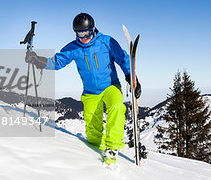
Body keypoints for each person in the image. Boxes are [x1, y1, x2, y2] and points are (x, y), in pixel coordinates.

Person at [25, 13, 141, 165]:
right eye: (79, 34)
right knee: (93, 131)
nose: (83, 37)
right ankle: (96, 147)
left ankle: (112, 147)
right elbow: (57, 62)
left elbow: (123, 58)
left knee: (116, 107)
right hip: (90, 92)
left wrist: (130, 76)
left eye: (86, 33)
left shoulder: (107, 42)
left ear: (93, 29)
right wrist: (38, 61)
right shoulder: (73, 48)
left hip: (110, 86)